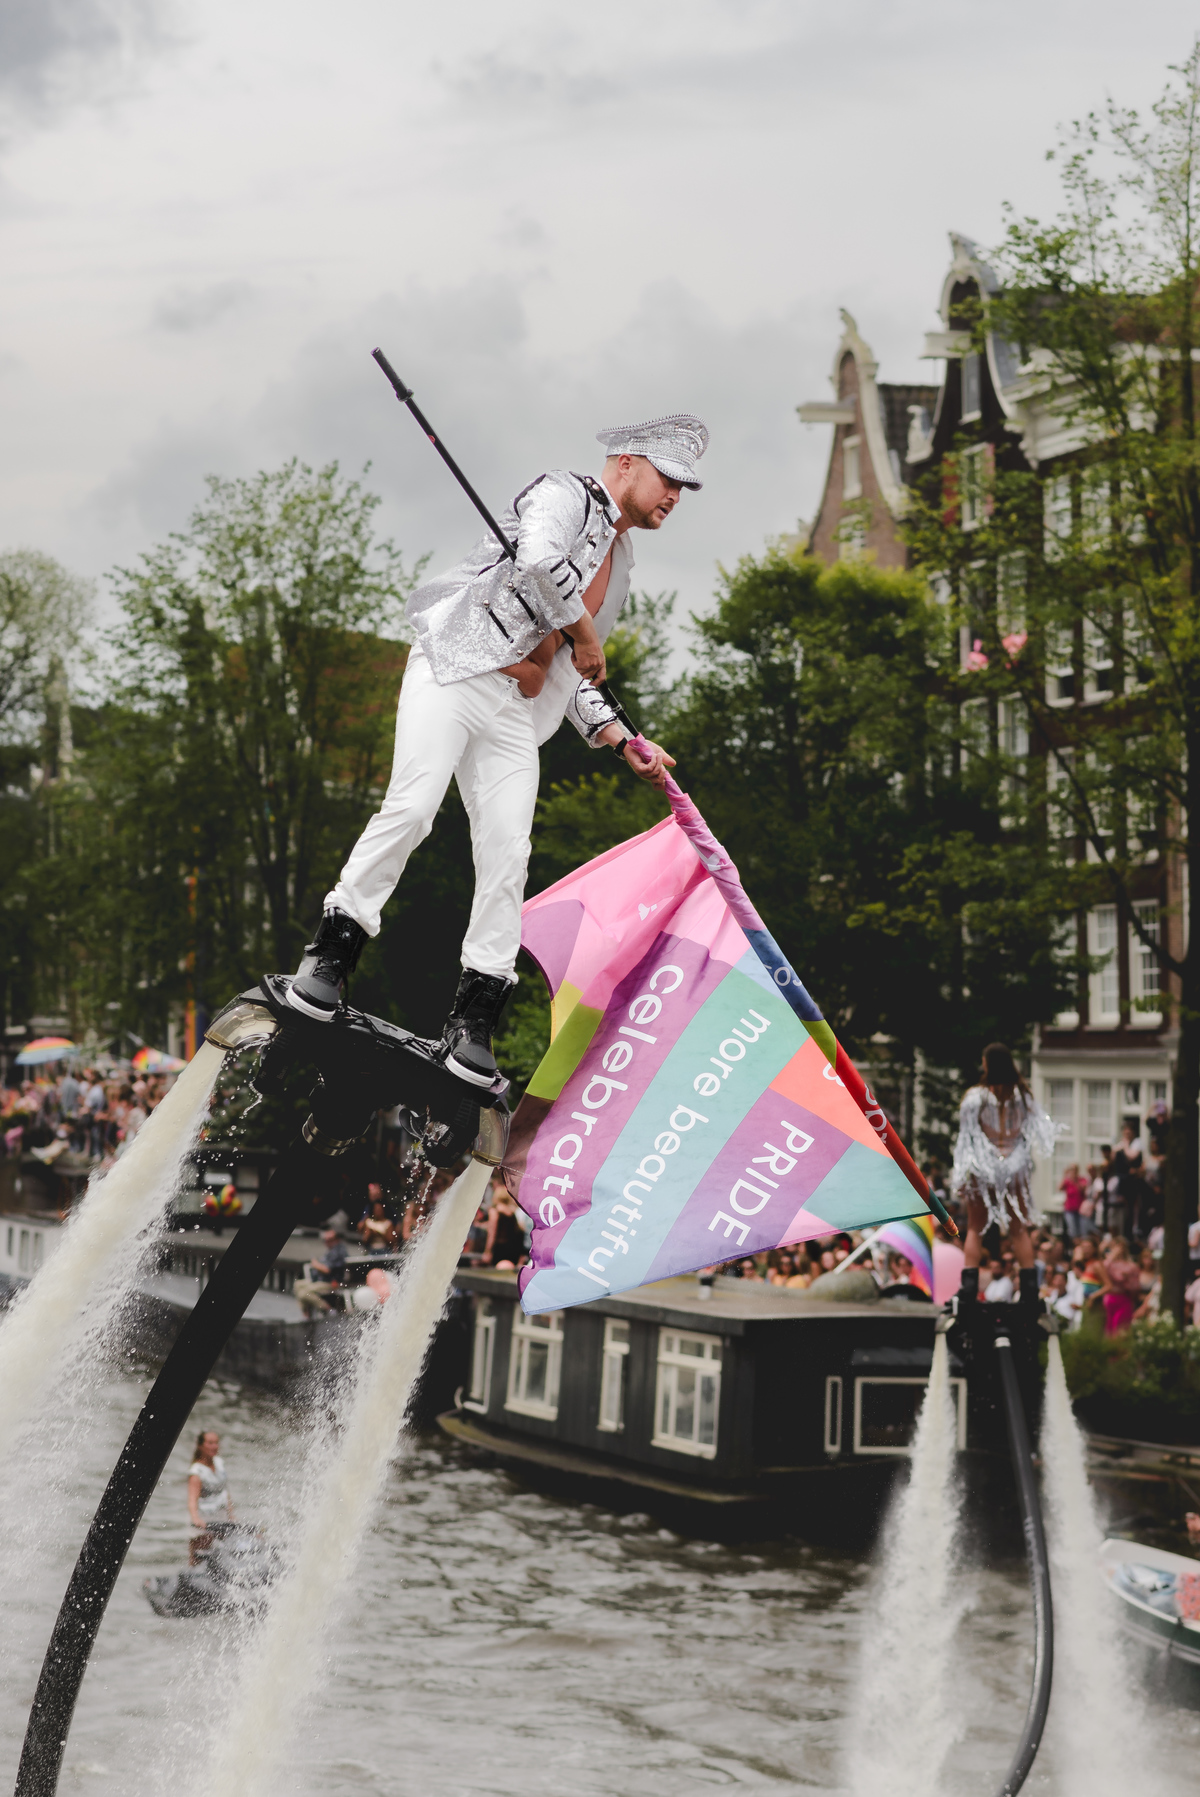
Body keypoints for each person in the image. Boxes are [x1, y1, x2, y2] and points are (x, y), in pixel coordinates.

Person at [282, 419, 706, 1087]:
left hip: (515, 711)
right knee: (415, 804)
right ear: (625, 463)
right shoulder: (560, 494)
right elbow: (540, 560)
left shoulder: (622, 567)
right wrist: (587, 630)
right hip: (455, 670)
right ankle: (332, 955)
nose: (676, 495)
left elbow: (575, 673)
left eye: (685, 486)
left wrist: (623, 738)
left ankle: (474, 1015)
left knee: (509, 851)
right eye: (668, 478)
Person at [951, 1042, 1059, 1309]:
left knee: (975, 1228)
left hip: (983, 1167)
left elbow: (966, 1141)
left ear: (988, 1064)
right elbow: (1036, 1131)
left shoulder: (975, 1098)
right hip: (1014, 1166)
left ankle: (968, 1290)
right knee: (1018, 1230)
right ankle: (1031, 1290)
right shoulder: (1023, 1096)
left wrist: (962, 1175)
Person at [188, 1429, 233, 1563]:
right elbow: (192, 1499)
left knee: (222, 1555)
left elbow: (225, 1492)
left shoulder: (219, 1463)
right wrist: (195, 1518)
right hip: (204, 1520)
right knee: (199, 1557)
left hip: (221, 1517)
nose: (214, 1446)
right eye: (210, 1443)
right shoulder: (196, 1472)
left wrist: (231, 1514)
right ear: (201, 1446)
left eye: (216, 1443)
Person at [1098, 1237, 1141, 1335]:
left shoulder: (1131, 1266)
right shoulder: (1107, 1263)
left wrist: (1127, 1281)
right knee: (1108, 1330)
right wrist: (1111, 1257)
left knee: (1120, 1330)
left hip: (1123, 1298)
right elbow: (1101, 1272)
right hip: (1109, 1298)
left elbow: (1136, 1287)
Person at [484, 1185, 528, 1269]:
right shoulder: (512, 1212)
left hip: (500, 1248)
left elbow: (492, 1233)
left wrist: (487, 1251)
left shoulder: (494, 1211)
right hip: (513, 1249)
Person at [1058, 1163, 1088, 1241]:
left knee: (1082, 1231)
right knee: (1073, 1231)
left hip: (1080, 1210)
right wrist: (1064, 1175)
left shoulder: (1082, 1179)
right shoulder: (1067, 1181)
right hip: (1069, 1210)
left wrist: (1075, 1181)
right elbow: (1059, 1188)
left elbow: (1083, 1190)